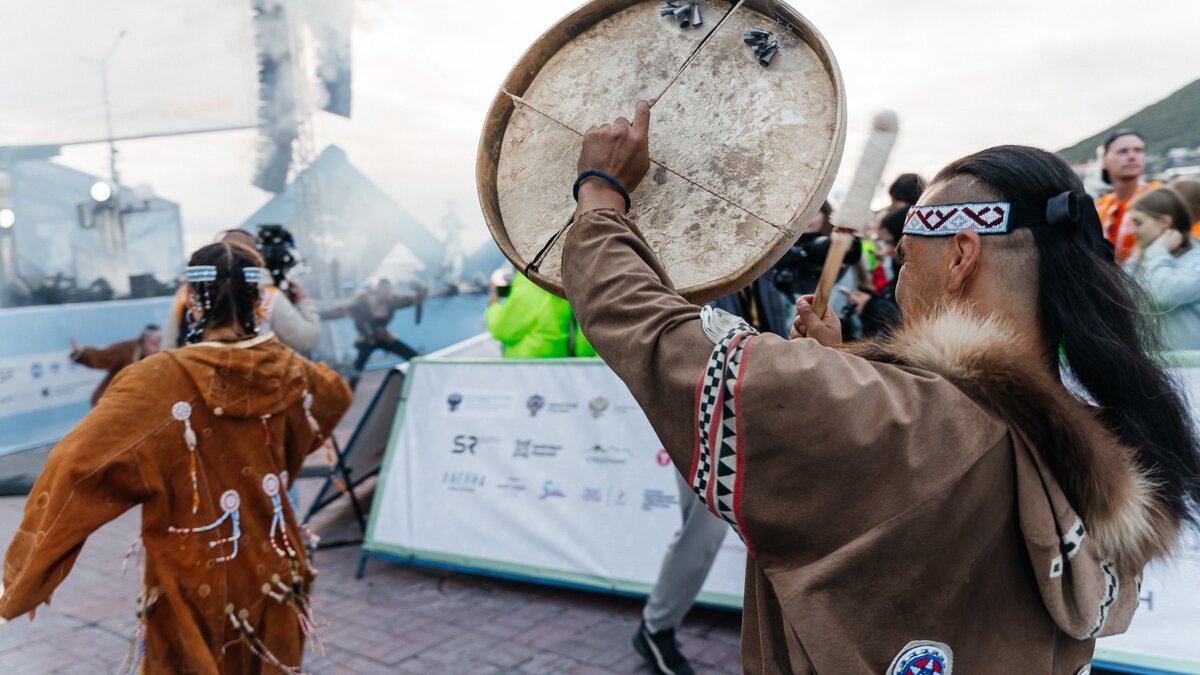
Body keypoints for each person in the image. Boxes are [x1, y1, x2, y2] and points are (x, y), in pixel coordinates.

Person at [561, 102, 1199, 673]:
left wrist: (601, 197)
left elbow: (658, 336)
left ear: (960, 256)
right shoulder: (1099, 438)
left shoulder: (898, 417)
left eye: (908, 244)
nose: (897, 264)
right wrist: (843, 369)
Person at [0, 241, 352, 673]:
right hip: (277, 567)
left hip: (195, 579)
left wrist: (30, 576)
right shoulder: (292, 370)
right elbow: (336, 394)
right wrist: (281, 463)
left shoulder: (157, 381)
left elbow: (74, 468)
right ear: (260, 299)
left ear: (192, 300)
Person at [163, 229, 322, 352]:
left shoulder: (186, 293)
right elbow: (305, 340)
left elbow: (168, 344)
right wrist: (304, 303)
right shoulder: (269, 295)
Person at [1124, 187, 1200, 350]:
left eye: (1138, 223)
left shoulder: (1195, 258)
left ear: (1166, 222)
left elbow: (1165, 295)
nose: (1133, 230)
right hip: (1150, 369)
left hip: (1193, 370)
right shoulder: (1137, 262)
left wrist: (1158, 252)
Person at [486, 269, 596, 358]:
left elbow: (500, 329)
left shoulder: (528, 288)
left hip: (528, 369)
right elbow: (583, 345)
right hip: (558, 365)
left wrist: (493, 305)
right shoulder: (563, 286)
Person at [1094, 129, 1162, 264]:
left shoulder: (1159, 196)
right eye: (1123, 151)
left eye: (1138, 150)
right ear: (1105, 161)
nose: (1132, 156)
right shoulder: (1100, 206)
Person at [348, 278, 424, 389]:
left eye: (388, 290)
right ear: (377, 289)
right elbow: (355, 315)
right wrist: (367, 333)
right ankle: (349, 391)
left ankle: (424, 372)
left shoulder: (391, 300)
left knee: (412, 355)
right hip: (367, 339)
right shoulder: (362, 301)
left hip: (384, 336)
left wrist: (418, 295)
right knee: (358, 366)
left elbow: (410, 299)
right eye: (383, 290)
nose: (385, 293)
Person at [69, 324, 162, 406]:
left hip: (139, 402)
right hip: (113, 400)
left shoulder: (161, 355)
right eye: (156, 339)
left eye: (160, 339)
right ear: (145, 338)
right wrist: (82, 353)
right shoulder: (127, 349)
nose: (158, 342)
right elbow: (102, 357)